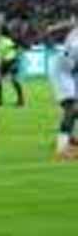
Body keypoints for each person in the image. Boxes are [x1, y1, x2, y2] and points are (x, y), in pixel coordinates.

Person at [47, 21, 78, 159]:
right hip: (62, 70)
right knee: (70, 109)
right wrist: (53, 29)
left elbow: (71, 24)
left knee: (74, 109)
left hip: (70, 69)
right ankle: (62, 149)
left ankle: (69, 139)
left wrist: (53, 28)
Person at [0, 29, 25, 107]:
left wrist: (17, 57)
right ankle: (0, 100)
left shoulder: (5, 41)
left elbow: (16, 47)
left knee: (12, 80)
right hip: (6, 62)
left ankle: (20, 100)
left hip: (10, 62)